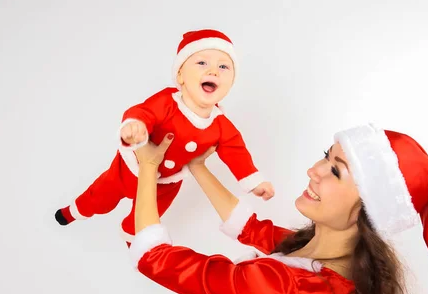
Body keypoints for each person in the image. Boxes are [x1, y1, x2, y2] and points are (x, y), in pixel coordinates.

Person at [128, 123, 428, 294]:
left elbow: (155, 258)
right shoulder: (331, 261)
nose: (313, 171)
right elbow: (250, 227)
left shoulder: (290, 292)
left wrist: (147, 165)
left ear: (368, 210)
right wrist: (197, 166)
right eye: (325, 157)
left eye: (335, 171)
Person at [54, 29, 275, 245]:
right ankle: (72, 212)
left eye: (224, 66)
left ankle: (134, 240)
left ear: (231, 83)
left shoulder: (220, 124)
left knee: (147, 219)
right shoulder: (168, 101)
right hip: (128, 170)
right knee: (100, 196)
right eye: (202, 63)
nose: (214, 71)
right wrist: (135, 126)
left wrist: (254, 181)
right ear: (180, 75)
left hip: (165, 184)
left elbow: (236, 152)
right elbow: (144, 112)